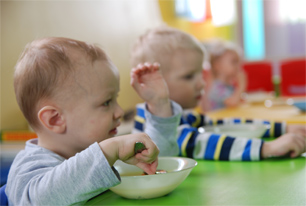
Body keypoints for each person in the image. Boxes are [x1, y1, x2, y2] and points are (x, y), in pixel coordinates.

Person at [6, 37, 182, 205]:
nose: (120, 111)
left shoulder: (99, 151)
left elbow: (155, 158)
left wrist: (159, 105)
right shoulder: (29, 168)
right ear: (55, 119)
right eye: (106, 102)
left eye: (115, 99)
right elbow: (41, 200)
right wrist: (108, 151)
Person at [130, 25, 306, 160]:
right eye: (189, 76)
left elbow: (225, 124)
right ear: (151, 84)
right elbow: (199, 143)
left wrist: (281, 128)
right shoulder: (150, 122)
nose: (201, 83)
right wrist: (266, 148)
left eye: (201, 73)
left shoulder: (183, 114)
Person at [202, 38, 246, 111]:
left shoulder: (227, 85)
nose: (238, 66)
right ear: (217, 65)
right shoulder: (217, 87)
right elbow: (232, 103)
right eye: (234, 62)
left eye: (239, 62)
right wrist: (242, 86)